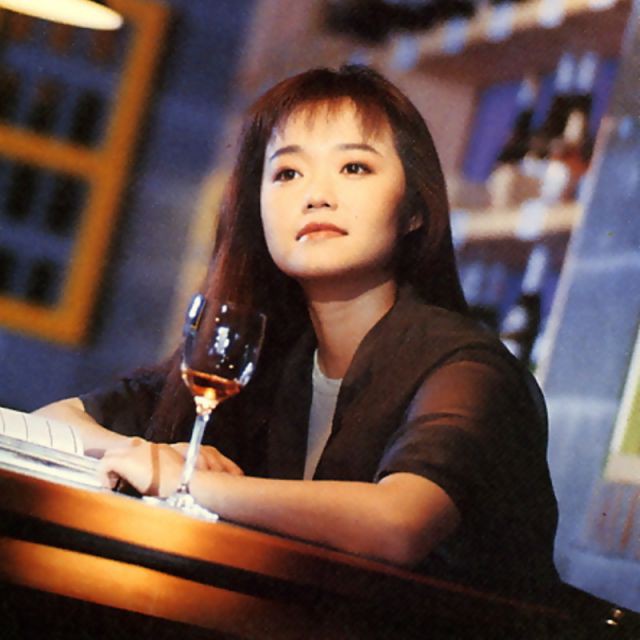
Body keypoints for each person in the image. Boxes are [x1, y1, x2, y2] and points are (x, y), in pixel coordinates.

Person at [35, 65, 559, 601]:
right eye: (287, 173)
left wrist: (189, 481)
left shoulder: (468, 368)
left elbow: (398, 524)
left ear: (413, 212)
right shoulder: (270, 355)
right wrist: (143, 454)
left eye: (354, 167)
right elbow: (52, 421)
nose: (316, 196)